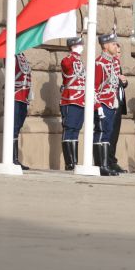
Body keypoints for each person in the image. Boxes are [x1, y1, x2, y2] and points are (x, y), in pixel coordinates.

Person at [94, 33, 124, 176]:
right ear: (105, 46)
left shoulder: (113, 62)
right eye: (113, 44)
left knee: (108, 134)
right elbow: (94, 87)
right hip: (103, 103)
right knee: (101, 133)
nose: (115, 46)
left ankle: (106, 164)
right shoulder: (99, 63)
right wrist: (97, 106)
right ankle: (101, 165)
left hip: (112, 103)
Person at [59, 36, 86, 171]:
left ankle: (75, 161)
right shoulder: (68, 60)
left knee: (76, 130)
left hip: (80, 100)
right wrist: (73, 53)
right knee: (69, 129)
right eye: (80, 45)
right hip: (70, 99)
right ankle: (69, 163)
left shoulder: (80, 62)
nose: (83, 46)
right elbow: (66, 65)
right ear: (74, 46)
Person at [104, 45, 129, 174]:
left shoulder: (117, 65)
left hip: (118, 104)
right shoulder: (107, 64)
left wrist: (124, 82)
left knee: (114, 136)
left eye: (120, 52)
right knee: (108, 134)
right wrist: (119, 80)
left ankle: (112, 160)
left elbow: (120, 84)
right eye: (117, 51)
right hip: (109, 104)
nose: (118, 54)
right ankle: (106, 161)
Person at [12, 51, 31, 171]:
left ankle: (15, 159)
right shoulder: (11, 55)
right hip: (14, 95)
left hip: (23, 96)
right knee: (13, 128)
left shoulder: (22, 56)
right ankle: (12, 158)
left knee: (17, 128)